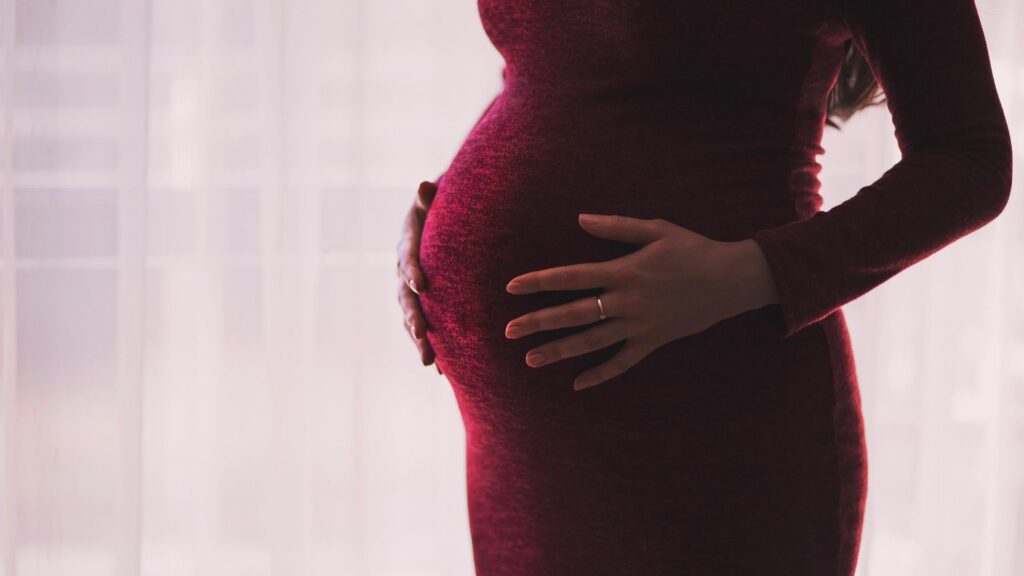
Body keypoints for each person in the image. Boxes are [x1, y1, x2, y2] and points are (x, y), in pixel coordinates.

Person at [395, 0, 1012, 573]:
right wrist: (445, 203)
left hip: (707, 421)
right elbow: (546, 72)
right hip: (521, 456)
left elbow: (970, 160)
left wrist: (746, 272)